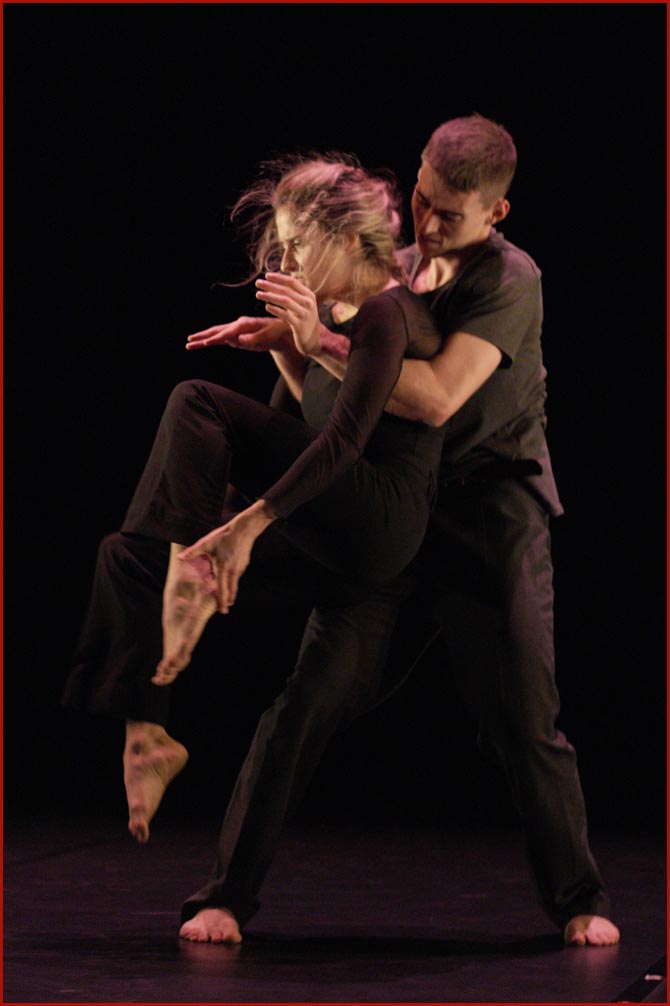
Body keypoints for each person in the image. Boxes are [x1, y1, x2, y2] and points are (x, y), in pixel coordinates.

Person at [183, 115, 620, 948]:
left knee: (522, 716)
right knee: (308, 699)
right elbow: (335, 412)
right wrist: (288, 349)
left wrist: (321, 341)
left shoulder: (510, 278)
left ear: (497, 212)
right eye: (421, 200)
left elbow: (437, 398)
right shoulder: (394, 270)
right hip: (395, 505)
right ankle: (226, 895)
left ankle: (579, 899)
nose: (427, 222)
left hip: (492, 511)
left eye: (450, 214)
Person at [62, 155, 449, 943]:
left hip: (381, 532)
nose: (286, 263)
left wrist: (239, 531)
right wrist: (286, 351)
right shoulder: (324, 320)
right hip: (330, 534)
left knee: (196, 401)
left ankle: (186, 581)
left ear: (343, 237)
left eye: (297, 245)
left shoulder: (389, 311)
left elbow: (342, 446)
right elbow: (287, 440)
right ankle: (153, 740)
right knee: (128, 560)